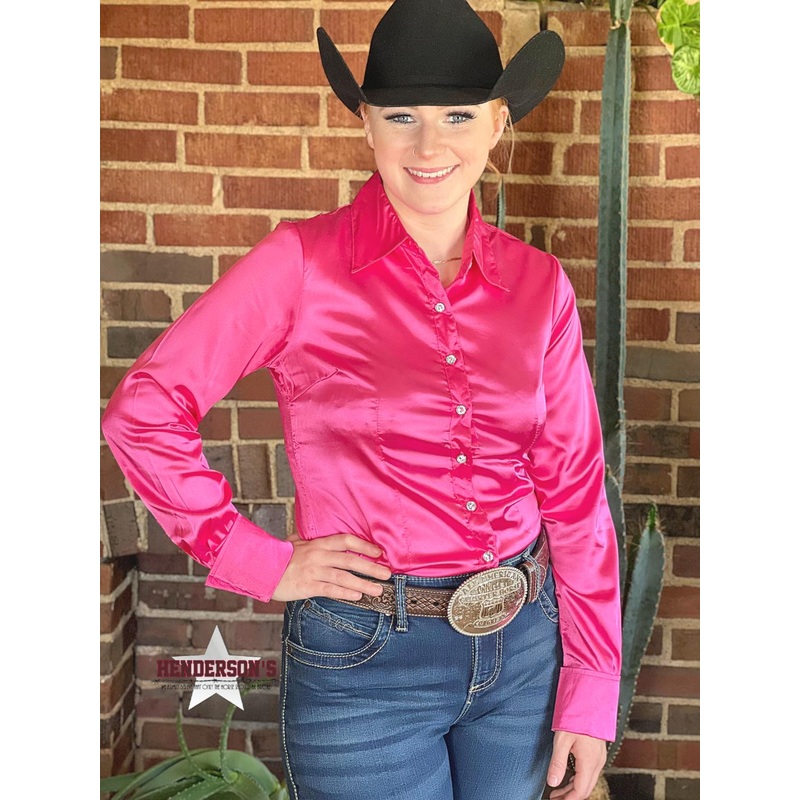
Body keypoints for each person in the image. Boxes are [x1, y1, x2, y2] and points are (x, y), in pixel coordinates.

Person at [101, 1, 621, 798]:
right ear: (367, 124)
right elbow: (144, 409)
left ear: (497, 122)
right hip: (364, 664)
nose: (429, 145)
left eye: (457, 115)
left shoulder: (539, 285)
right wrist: (257, 560)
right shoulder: (299, 265)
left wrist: (591, 683)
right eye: (402, 116)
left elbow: (575, 492)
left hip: (524, 652)